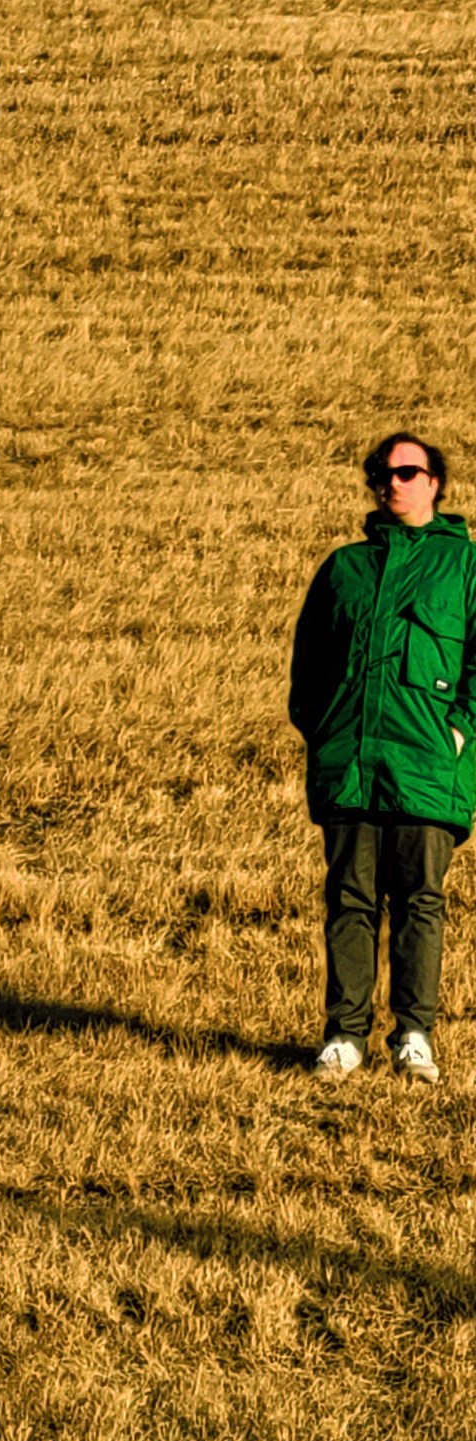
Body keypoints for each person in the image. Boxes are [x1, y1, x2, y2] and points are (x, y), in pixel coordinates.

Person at [289, 433, 476, 1083]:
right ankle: (344, 1037)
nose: (392, 483)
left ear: (434, 482)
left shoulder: (465, 567)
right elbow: (308, 667)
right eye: (382, 473)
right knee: (350, 899)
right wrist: (324, 732)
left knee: (420, 901)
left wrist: (459, 730)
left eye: (406, 472)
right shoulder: (345, 568)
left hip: (428, 763)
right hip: (350, 762)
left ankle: (414, 1035)